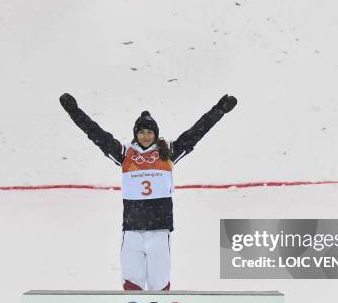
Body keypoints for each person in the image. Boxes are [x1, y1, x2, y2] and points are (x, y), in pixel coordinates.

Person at [59, 93, 237, 291]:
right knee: (131, 286)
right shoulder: (124, 153)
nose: (146, 136)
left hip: (159, 230)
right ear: (136, 133)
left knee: (160, 288)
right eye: (142, 132)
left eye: (150, 132)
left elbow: (196, 132)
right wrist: (74, 112)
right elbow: (96, 134)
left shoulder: (167, 151)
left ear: (156, 134)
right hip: (132, 229)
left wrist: (219, 111)